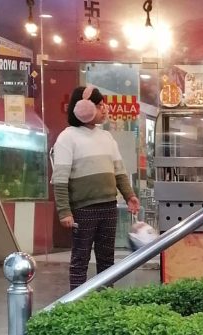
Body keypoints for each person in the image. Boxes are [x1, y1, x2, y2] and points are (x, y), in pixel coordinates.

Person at [51, 85, 140, 291]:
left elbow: (119, 171)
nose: (104, 109)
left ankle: (106, 299)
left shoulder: (107, 137)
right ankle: (76, 300)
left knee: (107, 258)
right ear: (83, 108)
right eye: (99, 105)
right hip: (83, 209)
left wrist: (129, 195)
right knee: (80, 258)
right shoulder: (67, 137)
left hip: (109, 206)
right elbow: (60, 179)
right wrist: (64, 211)